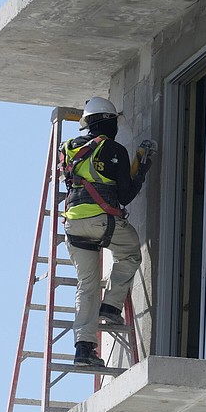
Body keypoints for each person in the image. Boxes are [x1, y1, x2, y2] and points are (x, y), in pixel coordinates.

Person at [58, 97, 151, 367]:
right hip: (101, 220)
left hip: (73, 225)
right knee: (131, 253)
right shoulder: (114, 149)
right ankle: (111, 306)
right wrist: (141, 172)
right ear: (109, 122)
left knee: (86, 285)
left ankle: (83, 349)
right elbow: (125, 195)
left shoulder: (69, 148)